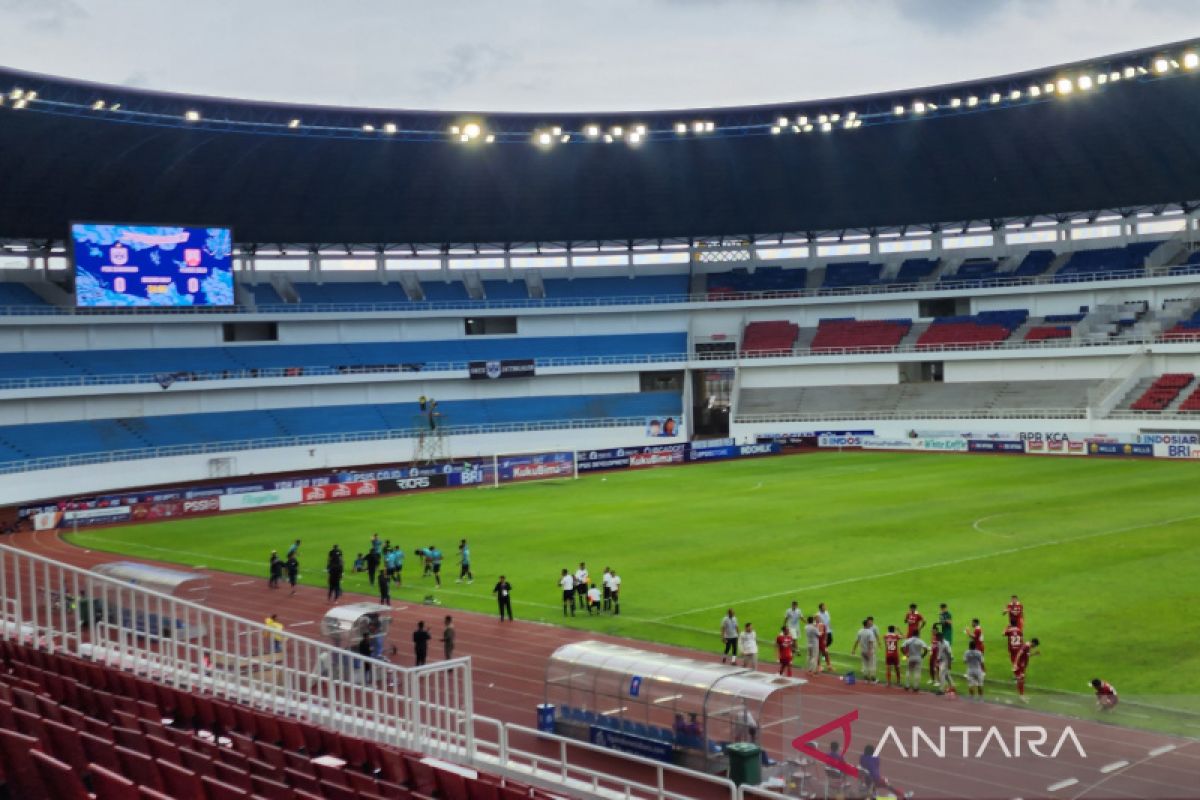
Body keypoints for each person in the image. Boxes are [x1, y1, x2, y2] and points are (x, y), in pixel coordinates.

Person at [1013, 637, 1040, 701]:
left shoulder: (1028, 647)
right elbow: (1019, 654)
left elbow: (1027, 655)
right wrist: (1015, 664)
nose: (1035, 647)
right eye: (1035, 645)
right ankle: (1021, 696)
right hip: (1019, 666)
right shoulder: (1026, 646)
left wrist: (1034, 654)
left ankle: (1021, 695)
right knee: (1021, 681)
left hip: (1022, 666)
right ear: (1033, 643)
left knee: (1021, 681)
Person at [851, 618, 877, 683]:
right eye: (869, 623)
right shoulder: (870, 632)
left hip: (862, 651)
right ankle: (873, 679)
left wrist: (853, 649)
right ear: (867, 624)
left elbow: (856, 641)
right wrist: (870, 651)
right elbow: (870, 643)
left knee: (865, 665)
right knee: (872, 665)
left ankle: (865, 679)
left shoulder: (860, 631)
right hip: (869, 651)